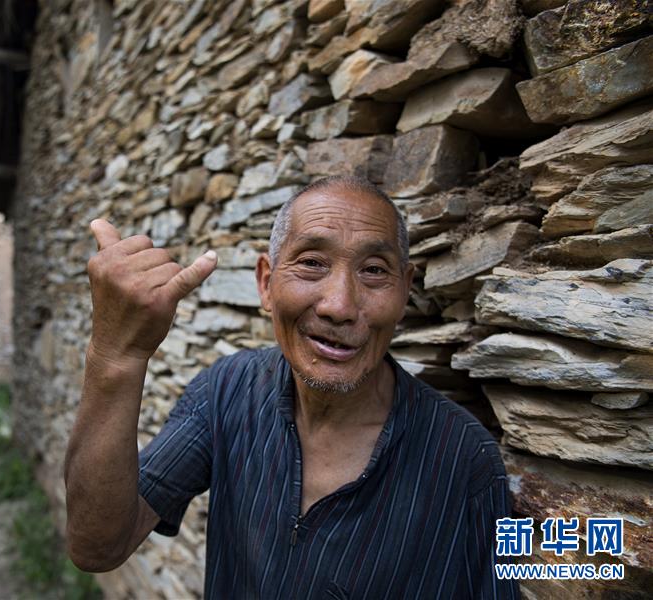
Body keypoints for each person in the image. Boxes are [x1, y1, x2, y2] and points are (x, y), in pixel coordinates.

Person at [65, 175, 519, 599]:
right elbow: (97, 546)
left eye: (374, 270)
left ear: (404, 291)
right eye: (312, 263)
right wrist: (116, 355)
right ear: (266, 283)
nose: (339, 305)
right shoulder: (227, 392)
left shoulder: (464, 459)